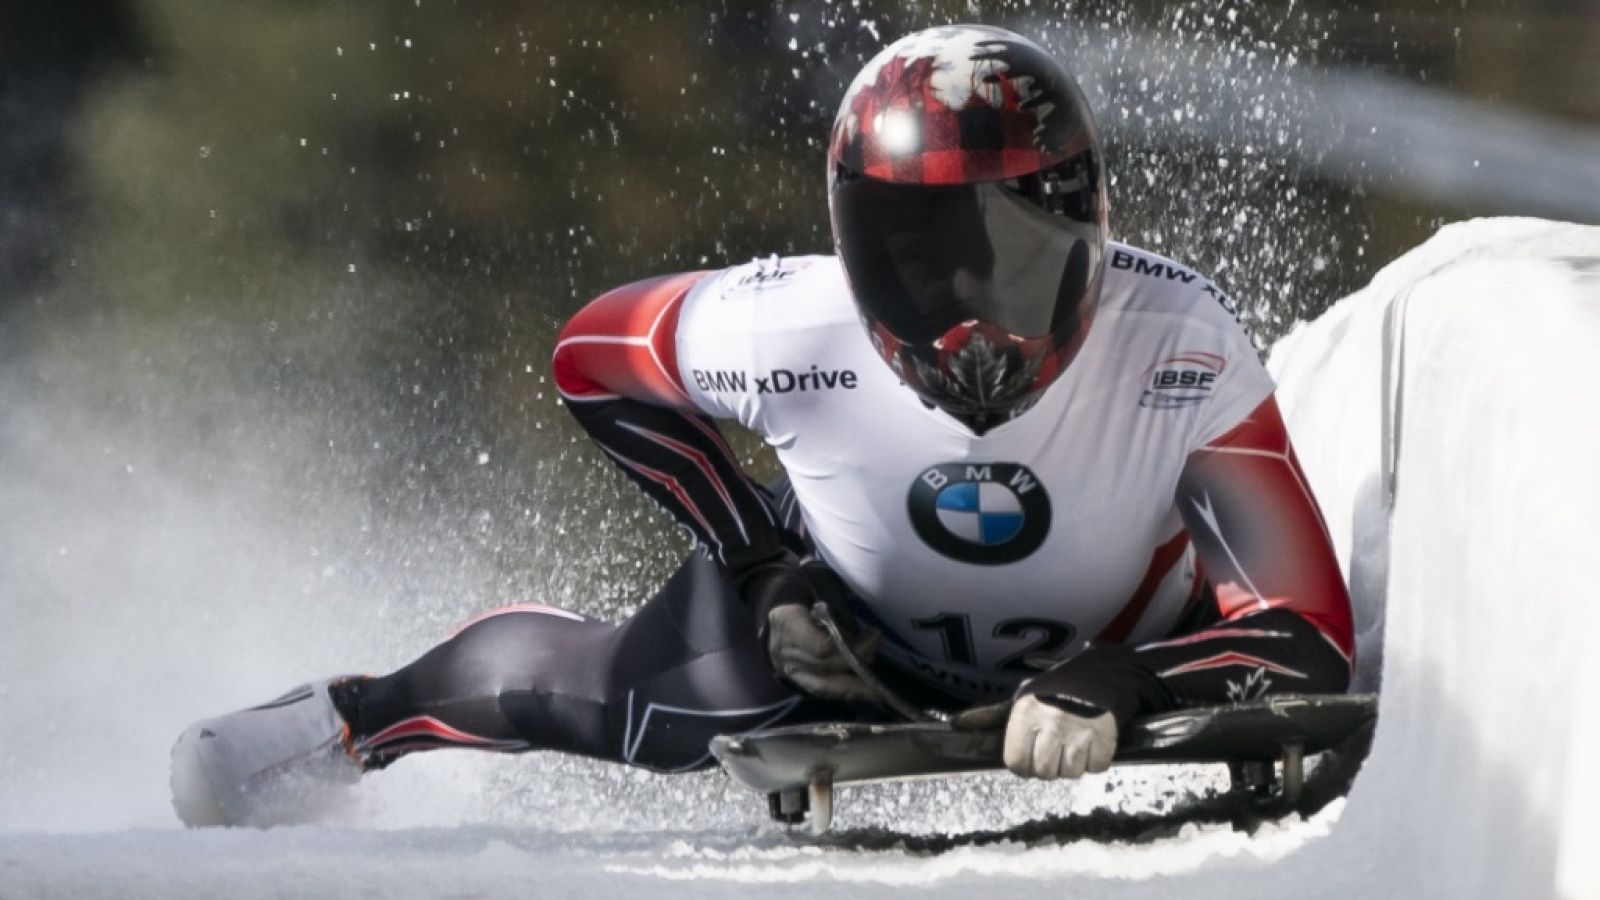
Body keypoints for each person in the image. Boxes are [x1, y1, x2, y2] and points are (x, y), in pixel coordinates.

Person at [171, 23, 1353, 827]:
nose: (973, 334)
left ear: (1091, 231)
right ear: (853, 258)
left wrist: (1125, 678)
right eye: (922, 273)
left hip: (1112, 644)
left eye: (1016, 263)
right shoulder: (787, 324)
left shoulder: (1180, 337)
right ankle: (349, 723)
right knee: (645, 703)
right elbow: (588, 361)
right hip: (839, 633)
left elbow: (1304, 630)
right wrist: (760, 564)